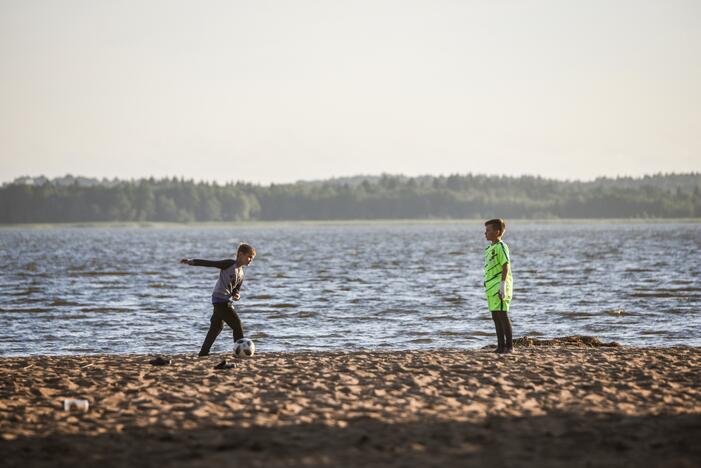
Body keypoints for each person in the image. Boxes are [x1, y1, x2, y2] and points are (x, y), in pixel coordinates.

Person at [180, 243, 256, 357]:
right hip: (220, 300)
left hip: (223, 301)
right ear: (241, 254)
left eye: (252, 258)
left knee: (216, 327)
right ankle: (240, 353)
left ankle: (203, 353)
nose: (250, 260)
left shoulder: (241, 273)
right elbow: (211, 263)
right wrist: (192, 261)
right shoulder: (229, 264)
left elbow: (236, 290)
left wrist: (237, 296)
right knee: (237, 324)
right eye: (249, 256)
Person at [483, 219, 514, 354]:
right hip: (490, 286)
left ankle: (509, 346)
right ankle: (500, 346)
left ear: (497, 232)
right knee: (495, 316)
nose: (485, 233)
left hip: (500, 284)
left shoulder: (502, 246)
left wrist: (503, 285)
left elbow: (505, 265)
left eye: (488, 230)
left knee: (502, 314)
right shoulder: (489, 248)